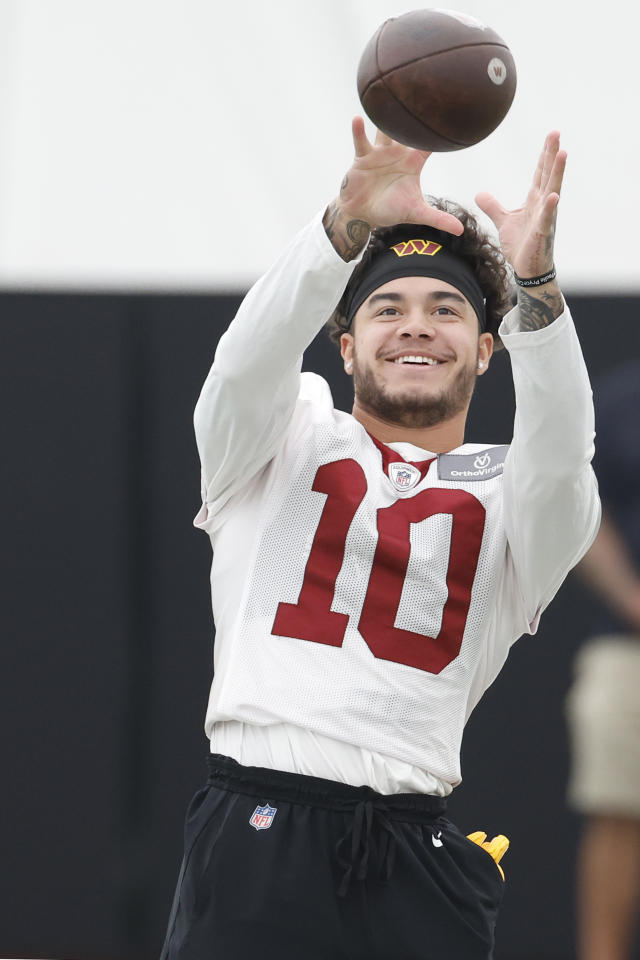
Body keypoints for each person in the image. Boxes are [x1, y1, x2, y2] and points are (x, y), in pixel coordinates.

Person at [160, 119, 600, 960]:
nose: (416, 326)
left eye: (446, 310)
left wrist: (536, 292)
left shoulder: (518, 500)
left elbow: (559, 457)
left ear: (484, 352)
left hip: (414, 848)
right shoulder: (280, 435)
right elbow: (243, 364)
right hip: (260, 824)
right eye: (387, 308)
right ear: (345, 344)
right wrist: (341, 229)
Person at [566, 360, 640, 960]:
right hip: (630, 646)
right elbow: (584, 510)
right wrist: (633, 599)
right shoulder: (621, 400)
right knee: (619, 811)